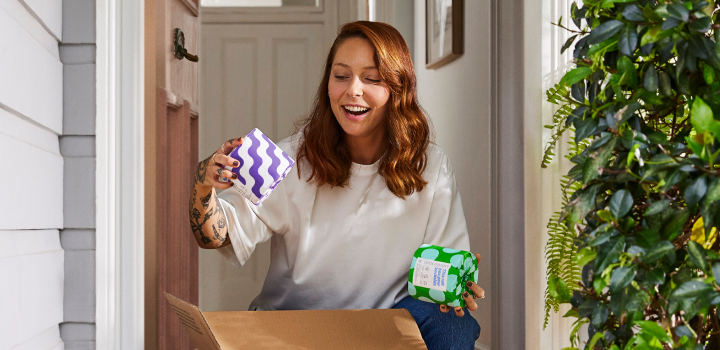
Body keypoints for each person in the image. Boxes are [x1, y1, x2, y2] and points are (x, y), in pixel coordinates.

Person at [189, 21, 484, 349]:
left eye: (371, 78)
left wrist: (456, 290)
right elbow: (216, 237)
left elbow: (440, 273)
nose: (353, 90)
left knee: (453, 322)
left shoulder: (431, 165)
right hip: (294, 325)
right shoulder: (285, 159)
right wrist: (204, 186)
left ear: (398, 88)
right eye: (341, 76)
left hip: (382, 328)